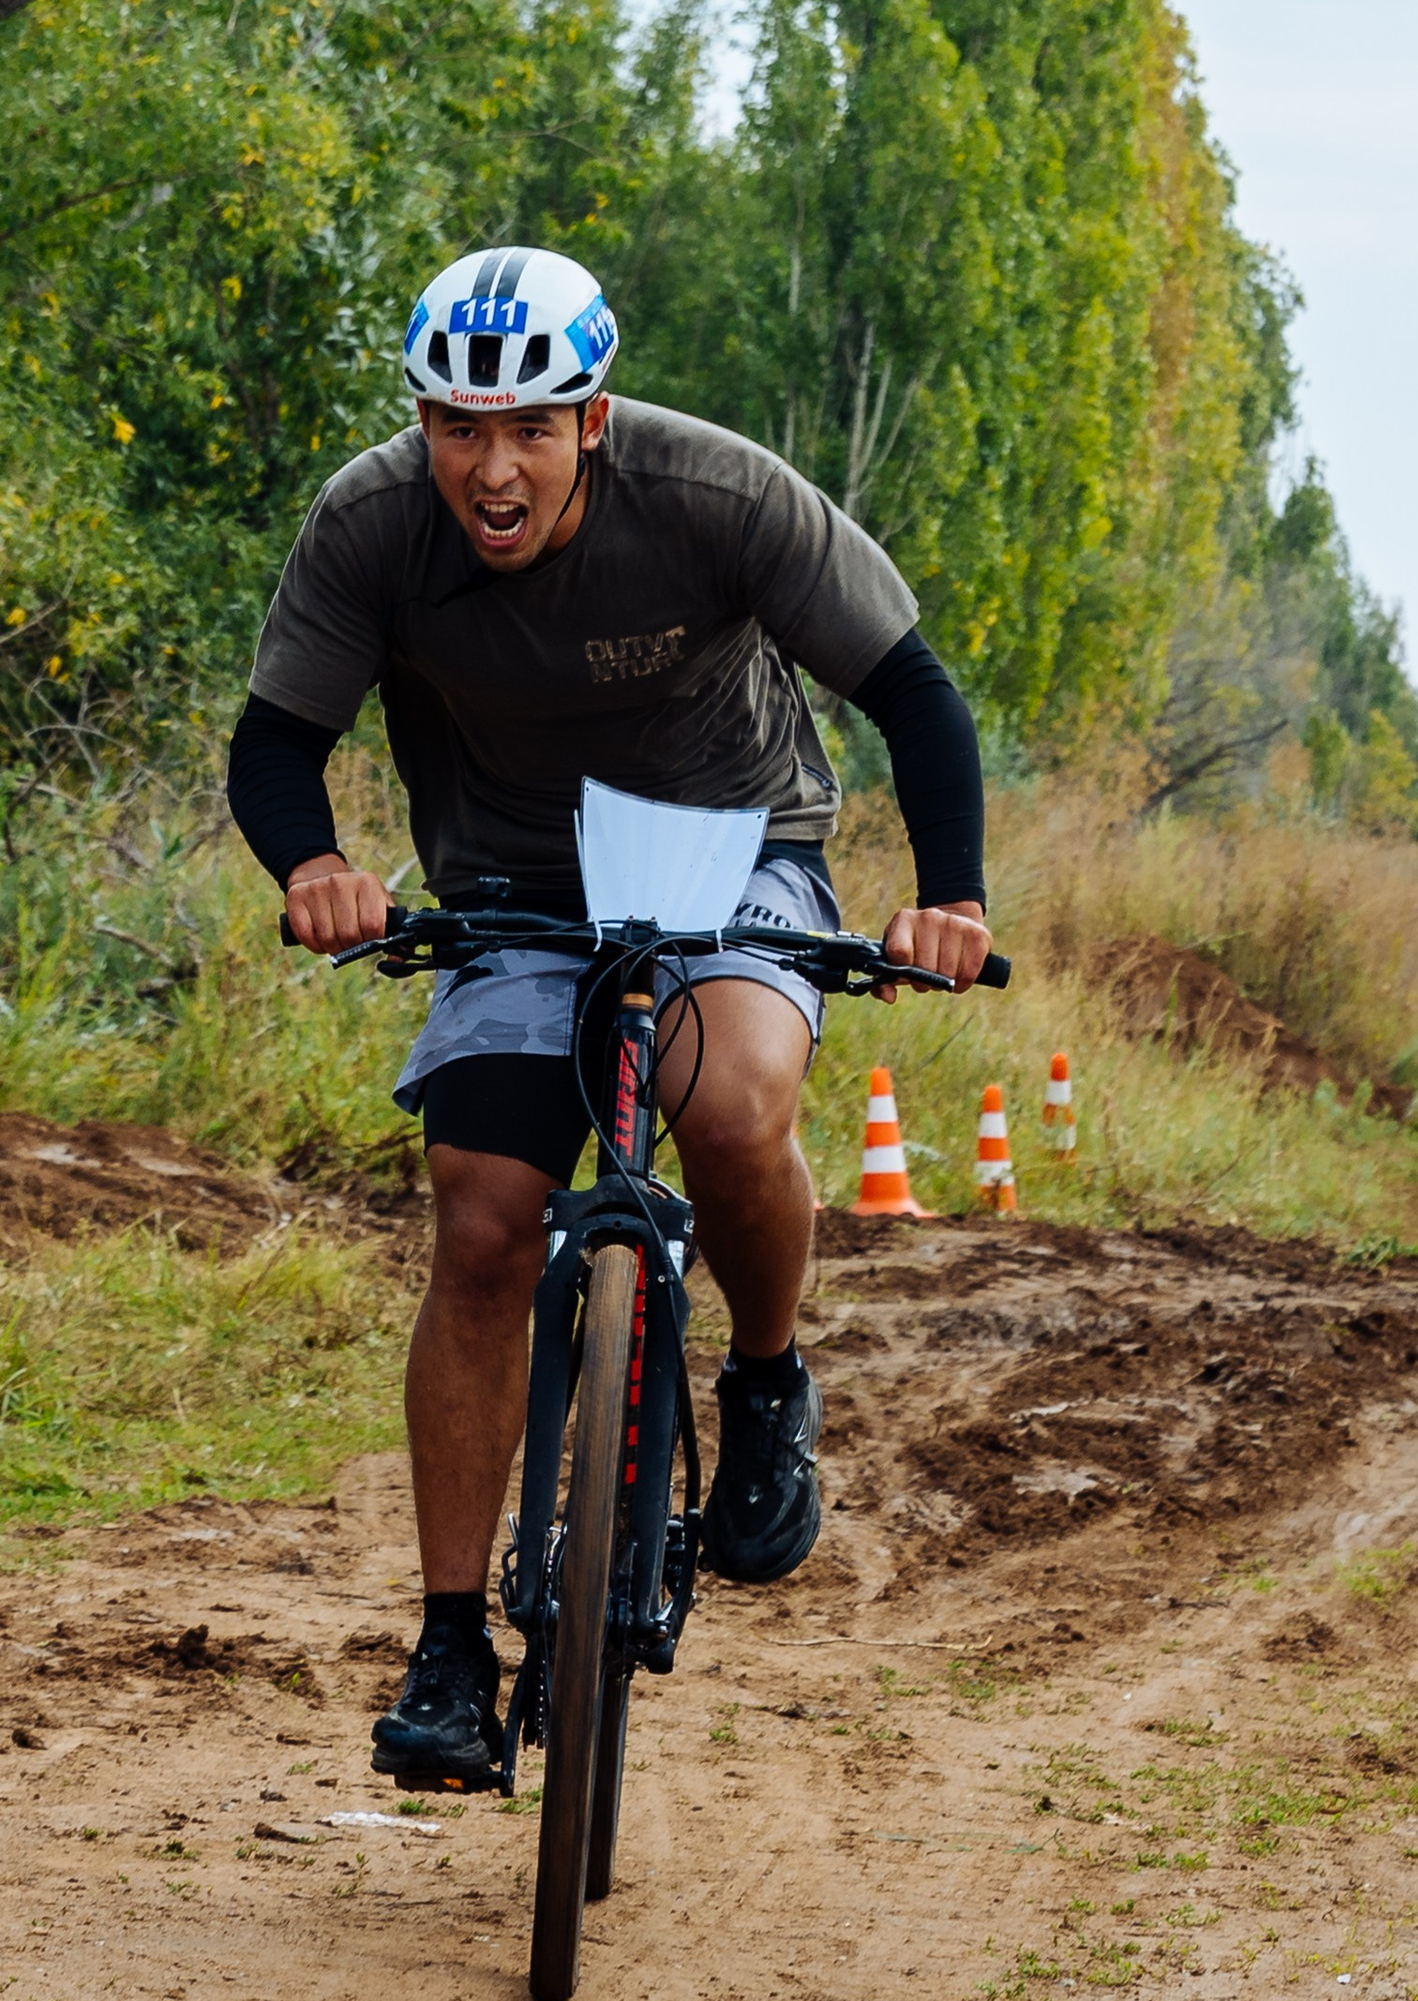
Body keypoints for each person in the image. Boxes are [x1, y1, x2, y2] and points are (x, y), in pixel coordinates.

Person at [227, 244, 994, 1792]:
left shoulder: (721, 497)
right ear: (424, 424)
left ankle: (767, 1380)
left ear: (595, 415)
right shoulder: (371, 523)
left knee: (731, 1109)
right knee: (485, 1218)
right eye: (456, 427)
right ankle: (451, 1644)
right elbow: (275, 743)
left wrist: (951, 895)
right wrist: (313, 863)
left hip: (737, 849)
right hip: (513, 880)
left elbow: (910, 687)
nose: (489, 468)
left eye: (529, 427)